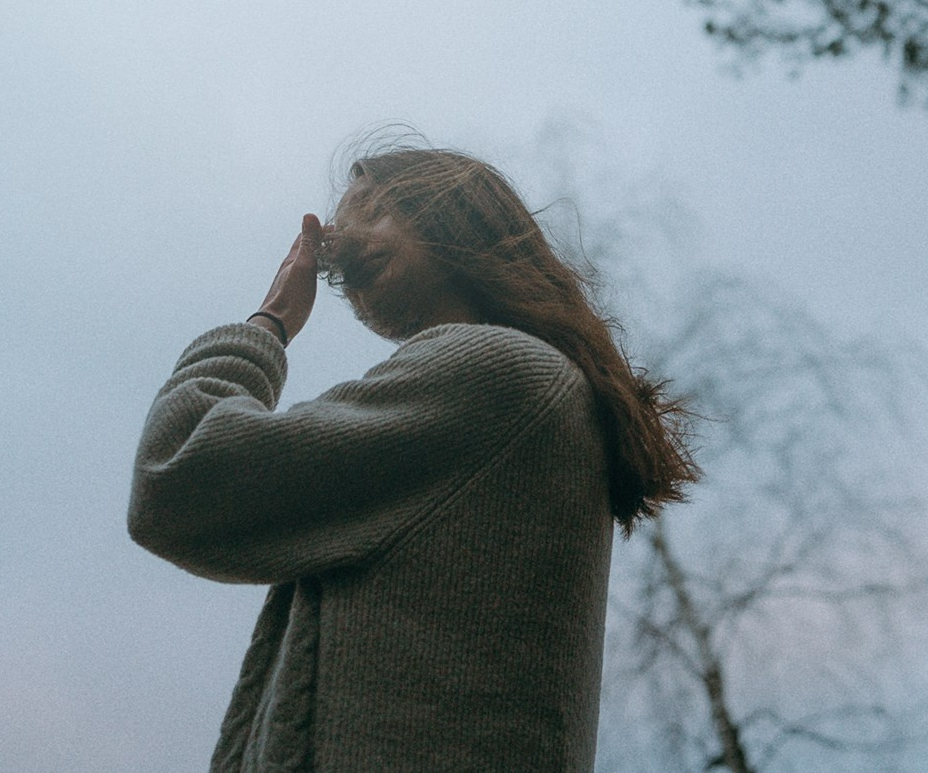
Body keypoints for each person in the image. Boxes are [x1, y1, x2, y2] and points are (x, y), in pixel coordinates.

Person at [128, 147, 696, 772]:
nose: (338, 243)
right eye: (339, 230)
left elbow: (179, 473)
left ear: (459, 216)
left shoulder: (499, 373)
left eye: (375, 209)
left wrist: (271, 320)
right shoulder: (528, 388)